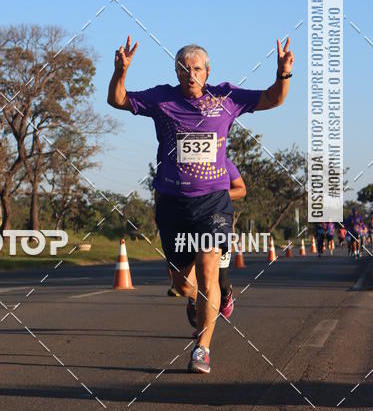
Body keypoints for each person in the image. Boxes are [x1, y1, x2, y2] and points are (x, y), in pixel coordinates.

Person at [107, 35, 294, 374]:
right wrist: (120, 72)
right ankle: (196, 300)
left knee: (209, 267)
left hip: (212, 202)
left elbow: (273, 99)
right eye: (183, 68)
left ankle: (202, 348)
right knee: (180, 283)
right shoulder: (161, 98)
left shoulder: (226, 97)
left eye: (196, 69)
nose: (189, 74)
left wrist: (283, 74)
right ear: (176, 72)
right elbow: (118, 100)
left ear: (207, 72)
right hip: (172, 202)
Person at [167, 156, 246, 313]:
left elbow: (241, 189)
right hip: (187, 223)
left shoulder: (221, 160)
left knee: (220, 282)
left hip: (215, 224)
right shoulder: (179, 161)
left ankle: (225, 295)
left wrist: (214, 198)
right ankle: (197, 304)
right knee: (193, 277)